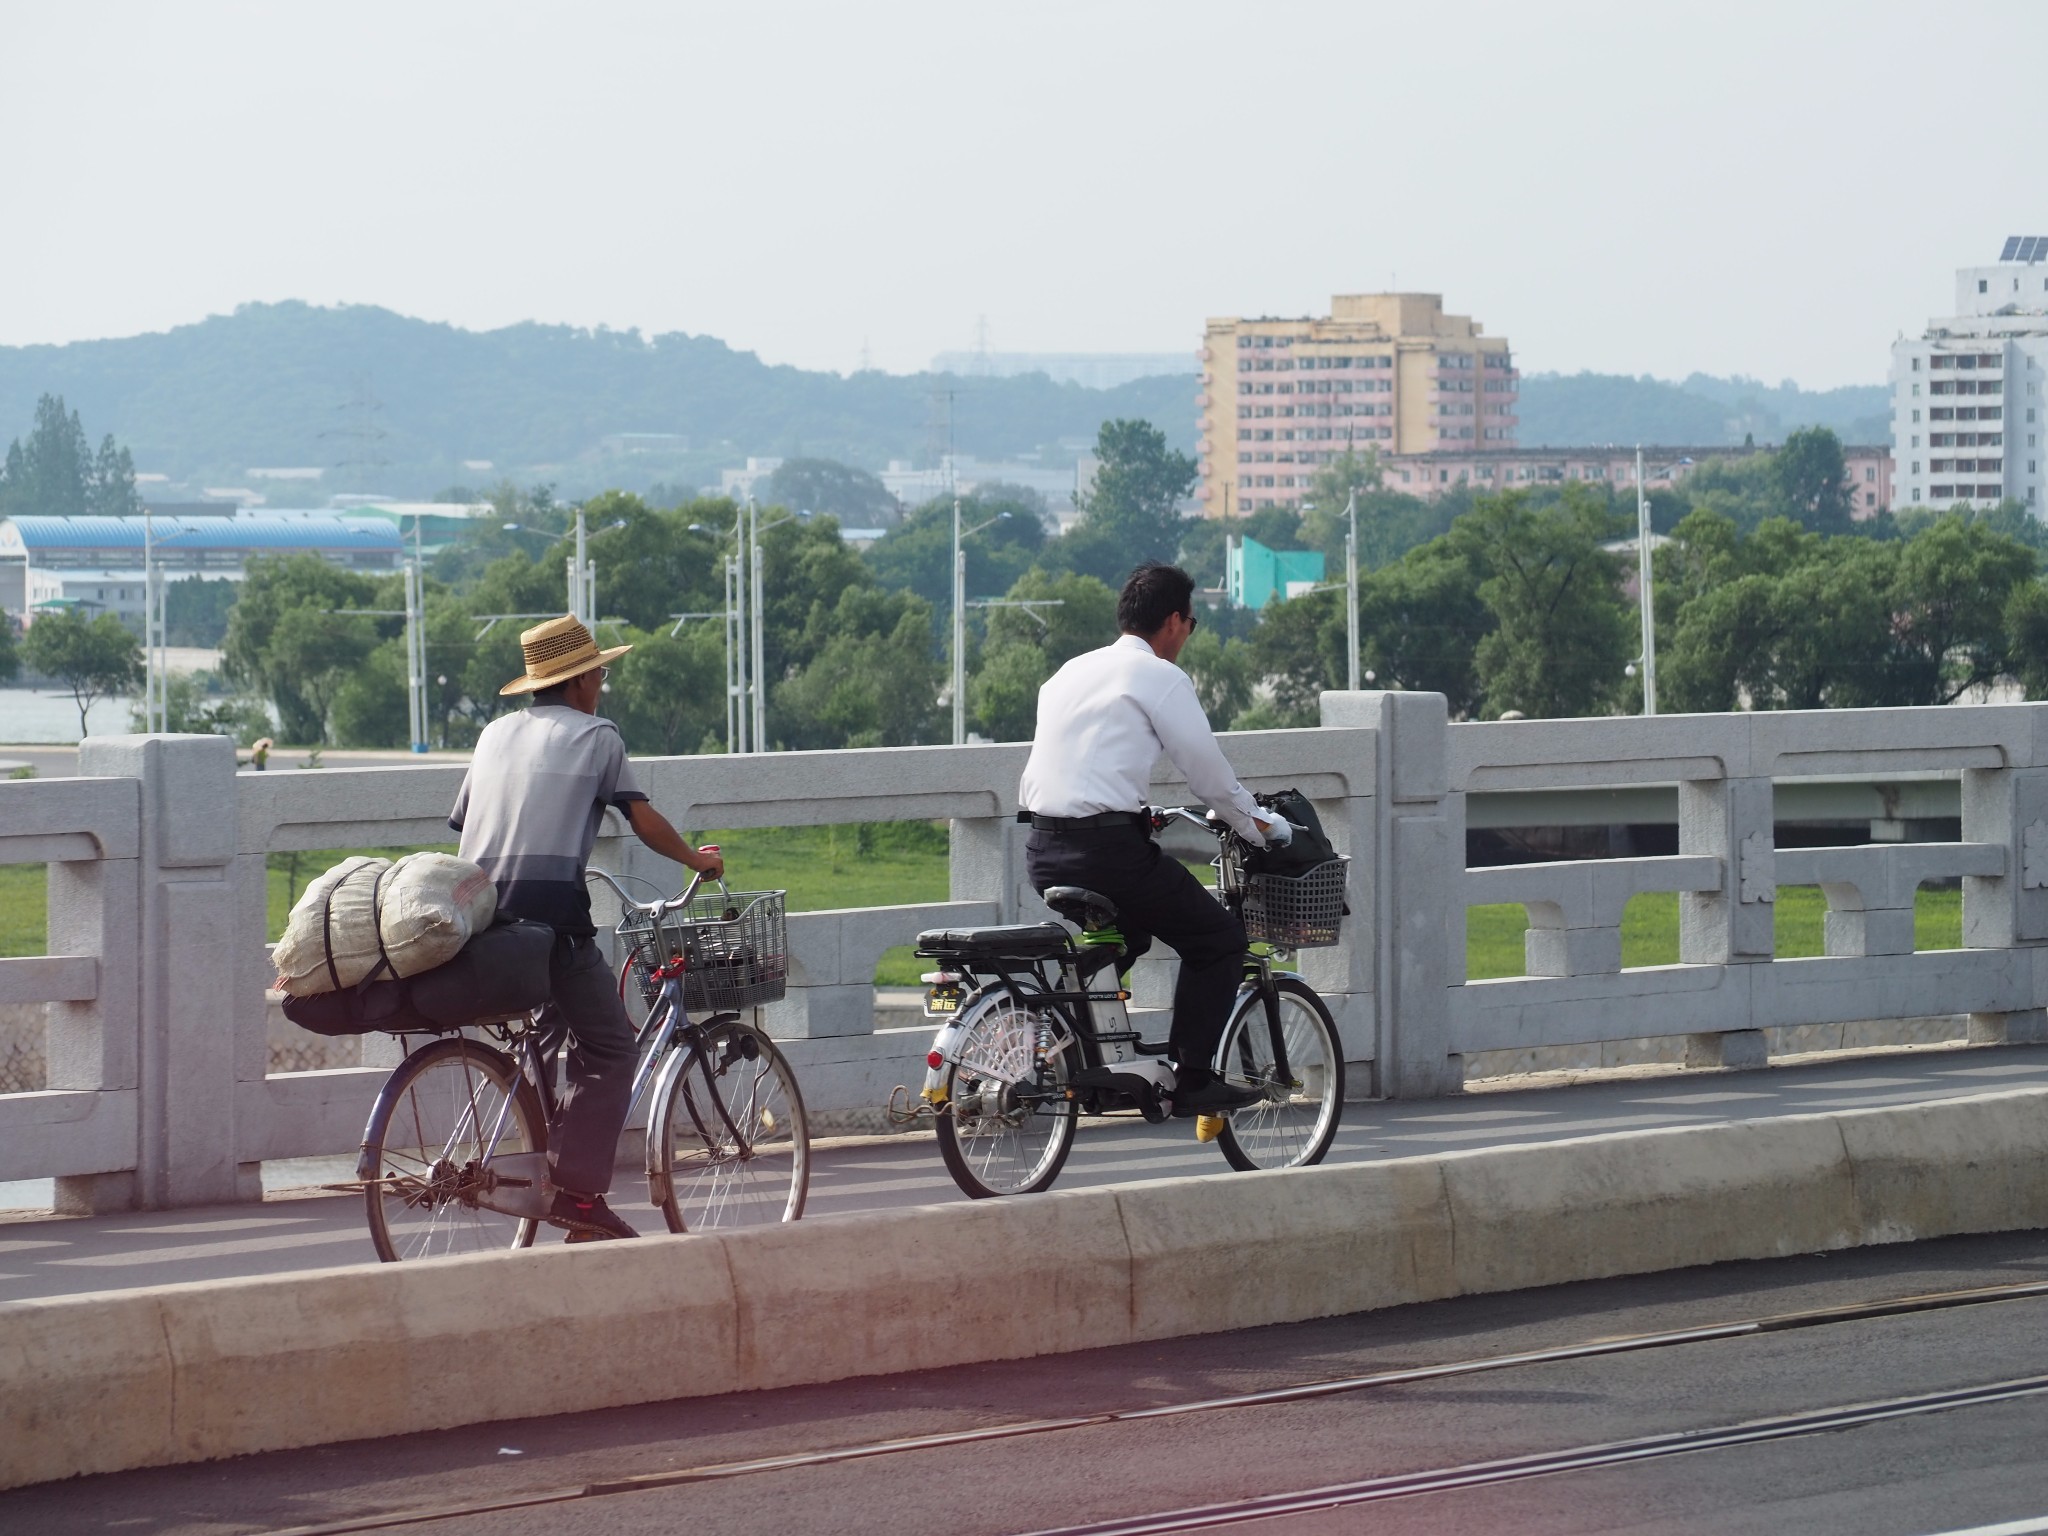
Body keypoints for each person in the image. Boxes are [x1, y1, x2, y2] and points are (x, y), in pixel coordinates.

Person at [448, 615, 723, 1240]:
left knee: (551, 1030)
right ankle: (578, 1198)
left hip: (482, 914)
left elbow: (469, 828)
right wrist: (697, 861)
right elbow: (643, 822)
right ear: (577, 683)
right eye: (599, 672)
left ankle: (544, 1156)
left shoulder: (492, 735)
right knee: (610, 1049)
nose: (602, 682)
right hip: (553, 922)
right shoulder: (599, 737)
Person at [1017, 563, 1290, 1116]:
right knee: (1217, 940)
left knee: (1129, 934)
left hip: (1043, 849)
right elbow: (1211, 779)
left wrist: (1142, 814)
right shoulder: (1160, 677)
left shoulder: (1068, 672)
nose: (1187, 636)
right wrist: (1262, 827)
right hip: (1109, 856)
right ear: (1173, 621)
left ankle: (1074, 1048)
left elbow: (1088, 764)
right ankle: (1193, 1079)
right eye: (1190, 623)